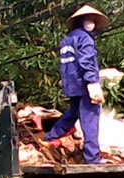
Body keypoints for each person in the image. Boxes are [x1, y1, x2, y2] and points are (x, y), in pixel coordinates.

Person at [43, 4, 108, 164]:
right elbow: (87, 62)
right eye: (90, 20)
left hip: (72, 85)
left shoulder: (67, 40)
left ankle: (51, 137)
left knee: (72, 114)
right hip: (86, 85)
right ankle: (93, 158)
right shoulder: (85, 39)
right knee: (90, 120)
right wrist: (92, 83)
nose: (91, 23)